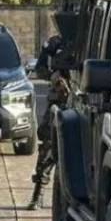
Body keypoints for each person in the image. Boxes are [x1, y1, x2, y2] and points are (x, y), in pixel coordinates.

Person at [26, 23, 74, 210]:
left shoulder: (92, 42)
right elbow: (40, 69)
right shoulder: (55, 44)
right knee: (47, 145)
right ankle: (38, 194)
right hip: (59, 102)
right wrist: (55, 78)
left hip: (84, 102)